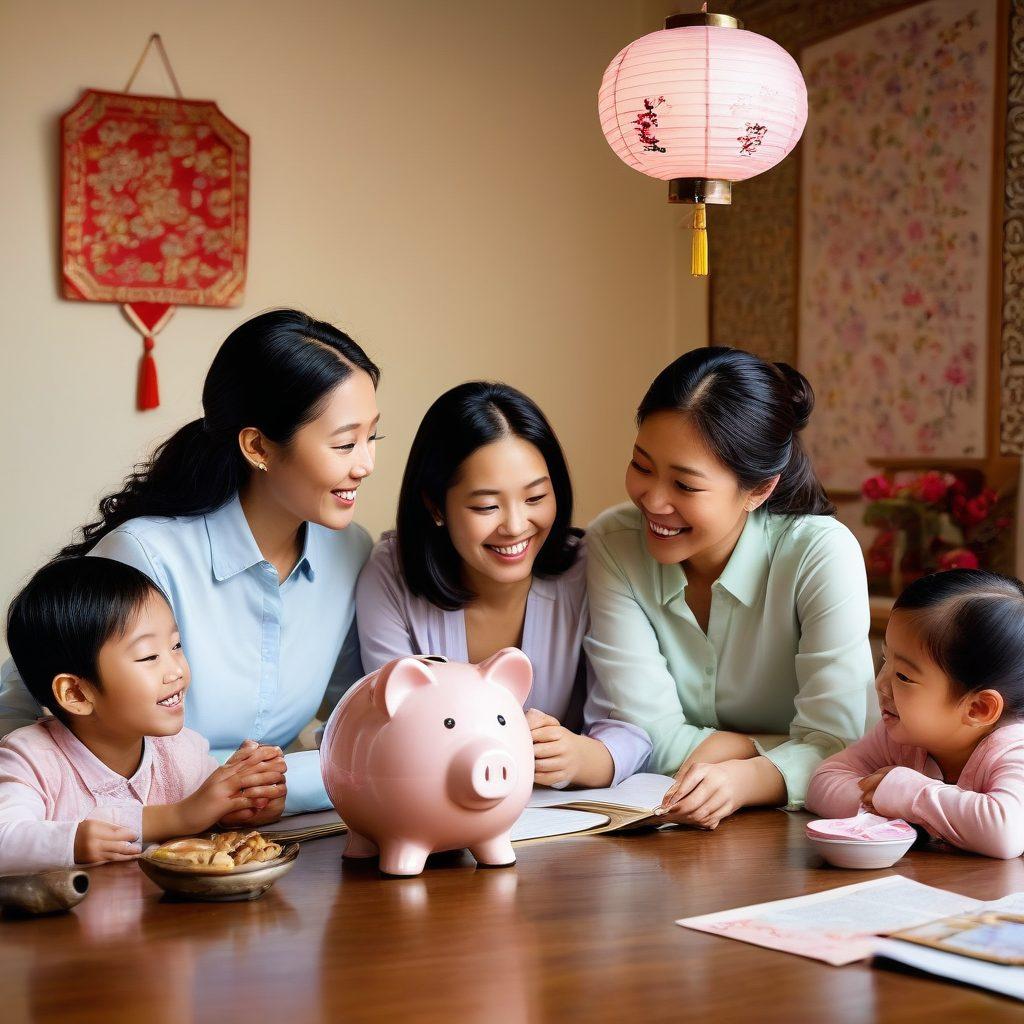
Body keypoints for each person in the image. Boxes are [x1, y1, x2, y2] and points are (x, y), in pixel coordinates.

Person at [0, 309, 381, 813]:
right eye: (344, 443)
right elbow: (21, 718)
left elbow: (357, 719)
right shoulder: (145, 555)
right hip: (136, 843)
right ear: (258, 446)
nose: (366, 464)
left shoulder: (351, 551)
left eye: (373, 437)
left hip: (270, 843)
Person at [586, 347, 874, 828]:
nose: (653, 500)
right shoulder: (613, 544)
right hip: (673, 829)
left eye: (686, 486)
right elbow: (646, 737)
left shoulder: (820, 554)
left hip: (803, 836)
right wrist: (775, 747)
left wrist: (745, 779)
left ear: (759, 490)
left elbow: (841, 744)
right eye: (641, 466)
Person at [356, 382, 651, 788]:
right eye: (486, 506)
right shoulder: (391, 575)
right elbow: (391, 730)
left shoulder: (591, 568)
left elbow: (631, 726)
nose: (515, 526)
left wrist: (582, 757)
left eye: (535, 498)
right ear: (435, 506)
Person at [0, 558, 286, 873]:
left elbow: (210, 814)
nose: (176, 670)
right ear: (77, 694)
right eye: (149, 656)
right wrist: (75, 841)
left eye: (176, 646)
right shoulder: (30, 760)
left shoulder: (182, 750)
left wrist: (247, 804)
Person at [807, 569, 1024, 859]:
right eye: (885, 659)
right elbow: (823, 780)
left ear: (978, 708)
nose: (881, 683)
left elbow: (1006, 833)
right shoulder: (902, 735)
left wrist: (908, 795)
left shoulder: (1013, 748)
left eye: (904, 676)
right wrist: (892, 809)